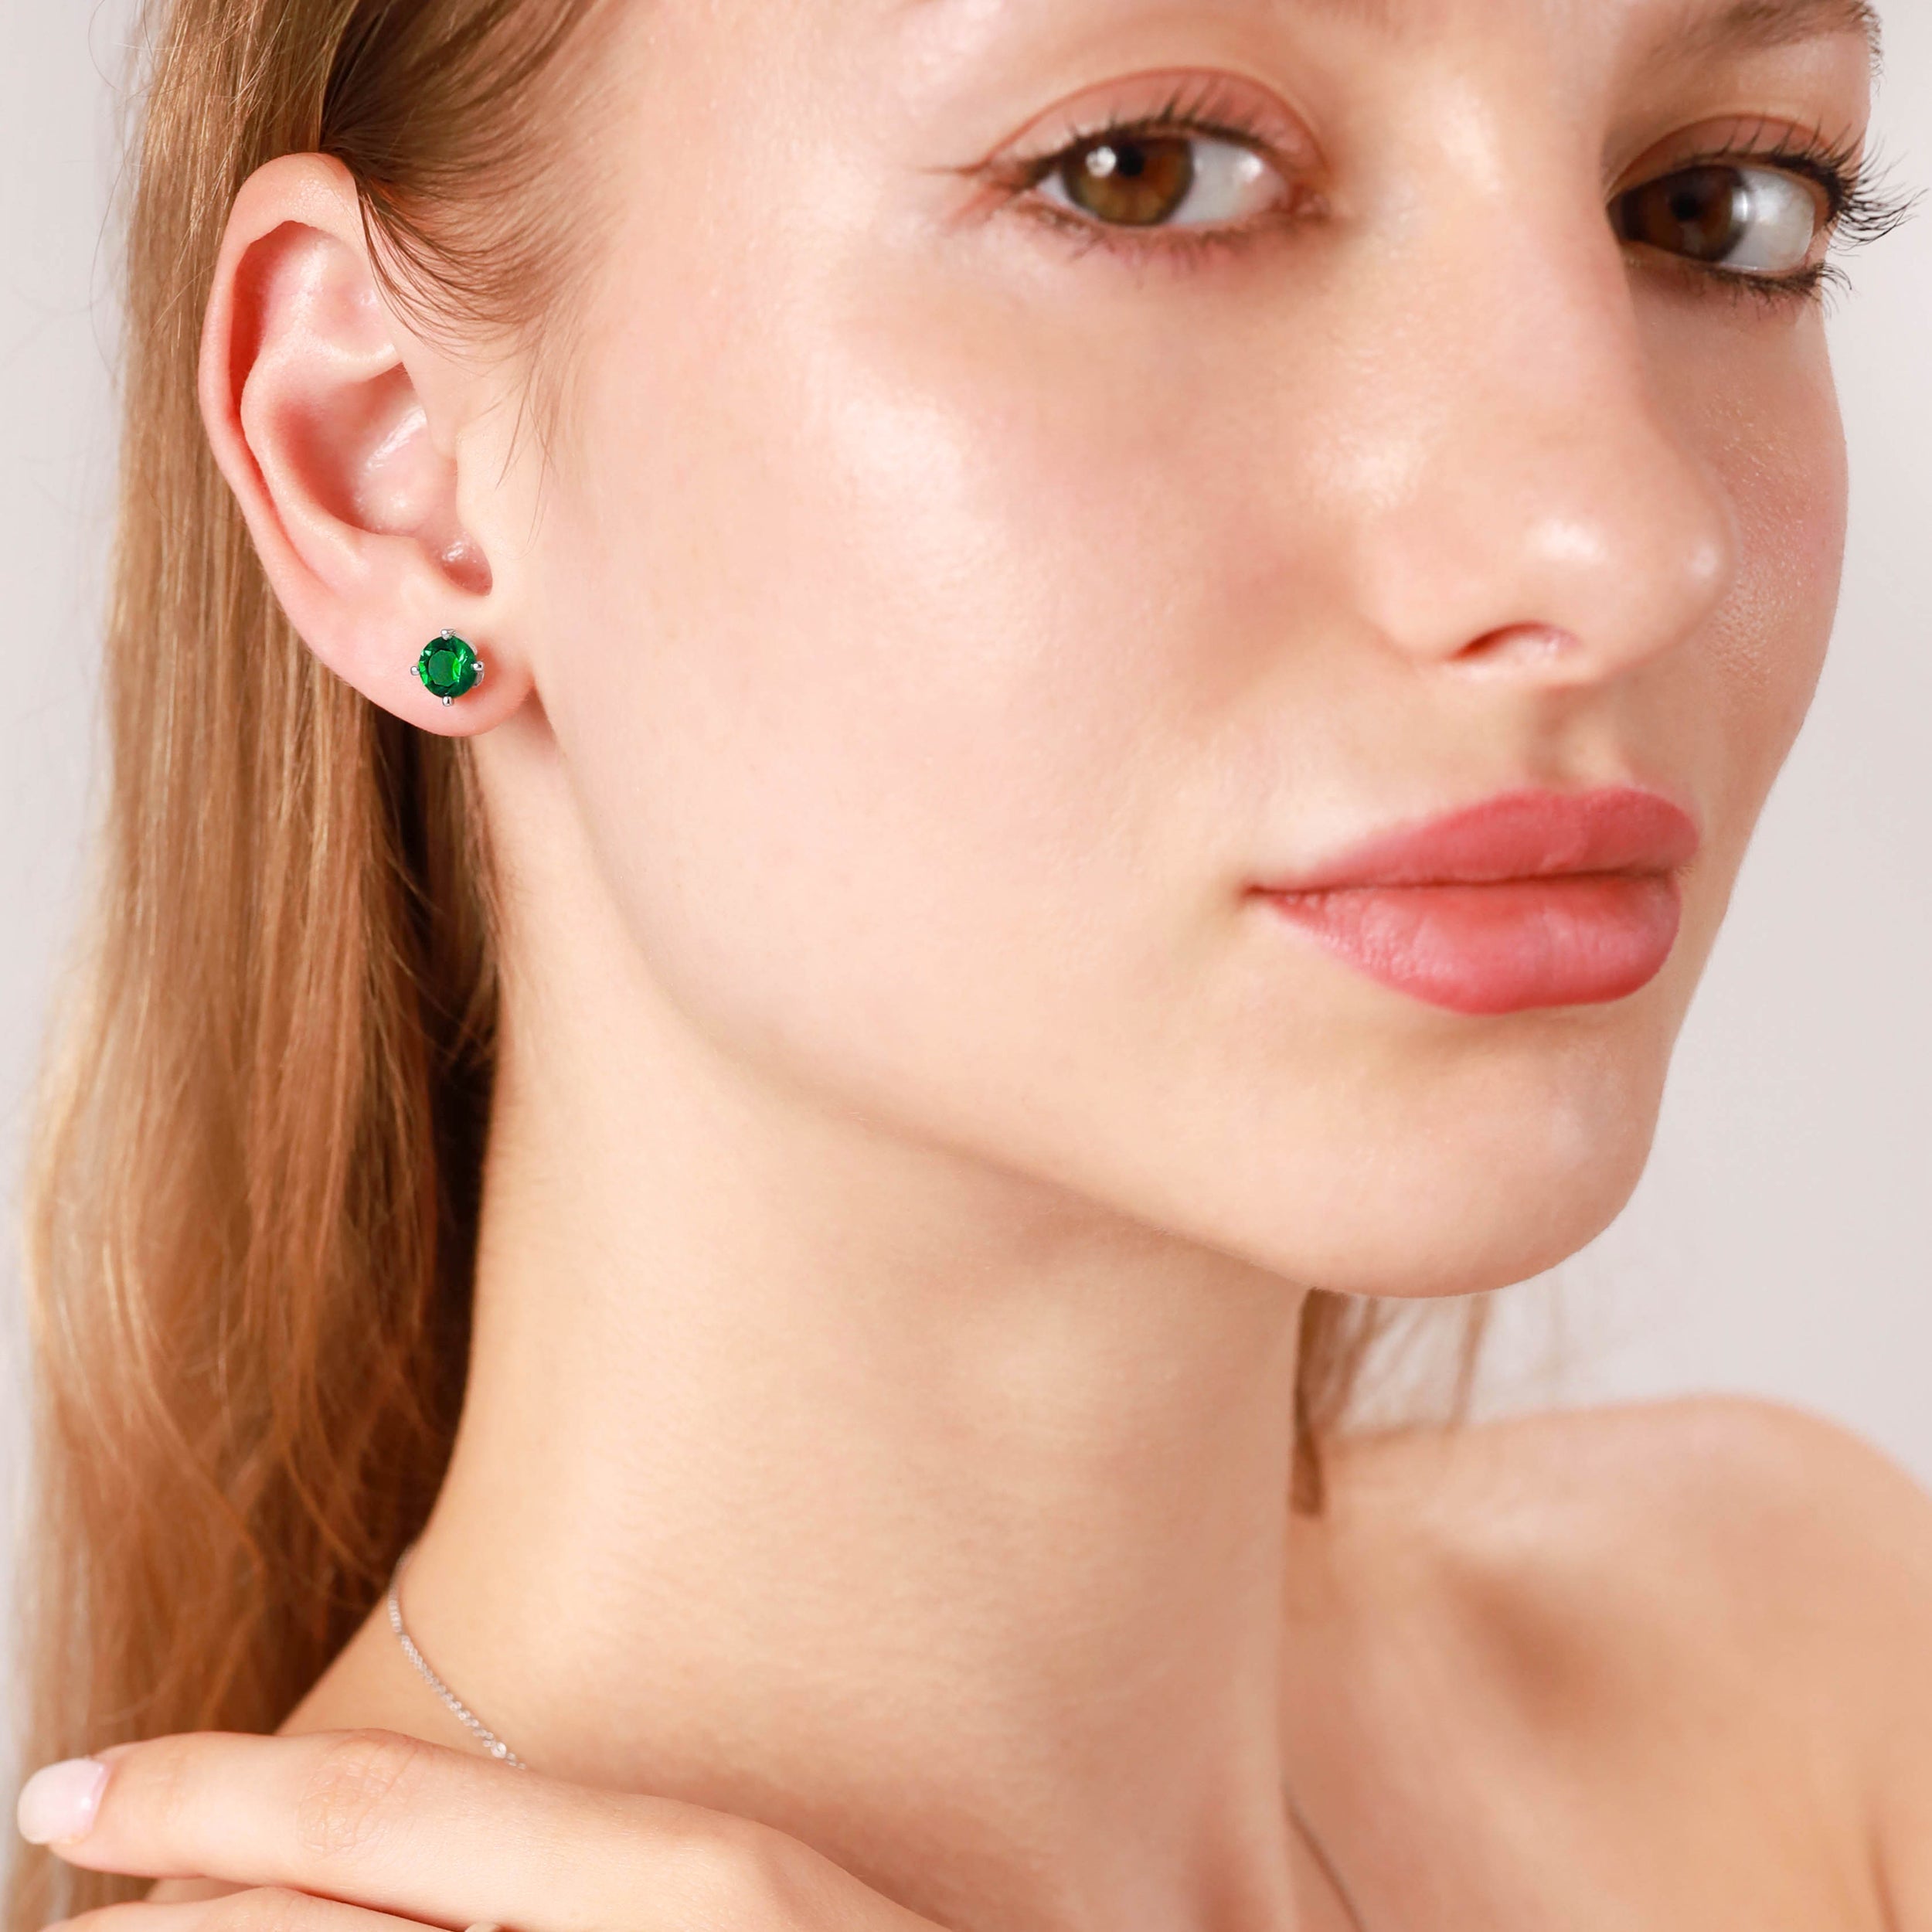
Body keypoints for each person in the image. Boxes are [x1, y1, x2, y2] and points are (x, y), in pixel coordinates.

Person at [9, 0, 1930, 1925]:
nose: (1622, 541)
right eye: (1144, 175)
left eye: (1717, 201)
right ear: (388, 466)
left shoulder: (1809, 1671)